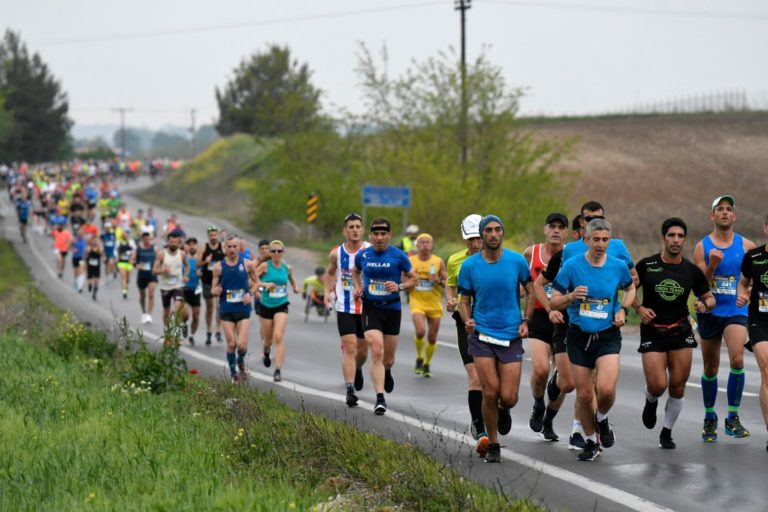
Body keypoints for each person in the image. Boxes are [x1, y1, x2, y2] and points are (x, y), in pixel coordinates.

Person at [550, 218, 636, 461]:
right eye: (595, 239)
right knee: (585, 395)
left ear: (610, 241)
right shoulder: (572, 265)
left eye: (605, 240)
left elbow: (630, 288)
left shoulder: (618, 266)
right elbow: (553, 300)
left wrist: (623, 310)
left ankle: (602, 418)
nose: (600, 244)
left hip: (607, 336)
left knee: (606, 390)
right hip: (578, 337)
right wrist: (570, 296)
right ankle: (590, 441)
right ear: (586, 240)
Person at [457, 215, 533, 463]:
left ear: (502, 233)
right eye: (487, 230)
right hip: (483, 336)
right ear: (481, 234)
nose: (492, 234)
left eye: (497, 230)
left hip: (510, 334)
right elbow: (464, 300)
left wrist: (526, 321)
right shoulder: (470, 266)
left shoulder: (517, 261)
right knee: (490, 392)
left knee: (508, 396)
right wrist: (467, 319)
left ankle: (503, 409)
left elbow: (531, 291)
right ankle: (493, 443)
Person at [634, 218, 715, 449]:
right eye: (672, 235)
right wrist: (639, 309)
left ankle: (666, 432)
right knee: (659, 385)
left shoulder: (691, 270)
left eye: (680, 236)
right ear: (663, 238)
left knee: (678, 386)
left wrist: (705, 305)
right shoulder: (647, 265)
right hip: (653, 330)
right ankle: (651, 400)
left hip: (681, 331)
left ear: (685, 240)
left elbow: (709, 298)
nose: (676, 240)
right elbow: (628, 290)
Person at [694, 195, 755, 441]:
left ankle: (733, 417)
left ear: (735, 216)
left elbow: (757, 279)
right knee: (711, 367)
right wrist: (712, 265)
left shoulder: (747, 246)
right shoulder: (702, 247)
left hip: (735, 311)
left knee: (737, 359)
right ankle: (710, 417)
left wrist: (749, 292)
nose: (725, 213)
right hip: (710, 311)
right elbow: (699, 285)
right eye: (720, 209)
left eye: (729, 209)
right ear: (712, 216)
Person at [352, 217, 417, 415]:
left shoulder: (399, 256)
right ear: (370, 235)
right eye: (376, 234)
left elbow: (414, 279)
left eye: (383, 234)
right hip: (371, 308)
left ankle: (387, 370)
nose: (379, 238)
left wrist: (399, 286)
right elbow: (355, 272)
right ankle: (380, 398)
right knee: (376, 350)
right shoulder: (363, 255)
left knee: (388, 359)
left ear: (389, 235)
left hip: (392, 309)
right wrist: (358, 287)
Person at [445, 214, 488, 456]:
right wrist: (450, 299)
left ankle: (499, 409)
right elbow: (450, 283)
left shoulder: (498, 259)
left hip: (494, 323)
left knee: (496, 381)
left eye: (478, 238)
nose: (474, 244)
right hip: (466, 323)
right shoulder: (455, 260)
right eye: (470, 239)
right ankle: (479, 428)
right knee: (475, 375)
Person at [523, 213, 568, 440]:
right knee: (541, 369)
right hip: (540, 316)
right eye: (552, 226)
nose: (556, 231)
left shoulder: (571, 255)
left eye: (561, 227)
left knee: (563, 379)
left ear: (567, 232)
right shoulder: (531, 254)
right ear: (545, 229)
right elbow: (521, 284)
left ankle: (549, 420)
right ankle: (539, 403)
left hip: (565, 318)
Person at [325, 213, 371, 408]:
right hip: (344, 306)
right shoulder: (337, 253)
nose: (354, 230)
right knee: (350, 347)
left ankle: (357, 368)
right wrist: (327, 292)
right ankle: (350, 389)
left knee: (362, 351)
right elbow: (329, 273)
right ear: (345, 230)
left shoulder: (370, 251)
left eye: (357, 226)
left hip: (367, 307)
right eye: (350, 227)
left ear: (362, 229)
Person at [737, 216, 768, 451]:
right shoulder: (754, 257)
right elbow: (743, 282)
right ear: (765, 229)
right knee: (767, 371)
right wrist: (743, 294)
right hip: (760, 321)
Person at [213, 235, 260, 383]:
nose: (232, 249)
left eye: (235, 246)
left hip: (242, 309)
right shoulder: (219, 267)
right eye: (229, 247)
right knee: (231, 343)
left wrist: (250, 293)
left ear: (239, 247)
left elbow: (257, 282)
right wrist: (216, 290)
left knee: (241, 345)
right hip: (226, 308)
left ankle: (240, 361)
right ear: (224, 248)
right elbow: (213, 288)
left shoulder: (247, 264)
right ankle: (234, 373)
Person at [256, 240, 300, 382]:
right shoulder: (264, 266)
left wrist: (295, 287)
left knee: (278, 336)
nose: (276, 253)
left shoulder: (287, 267)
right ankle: (266, 351)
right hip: (266, 305)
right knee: (268, 340)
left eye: (279, 251)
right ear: (269, 252)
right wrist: (264, 284)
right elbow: (252, 281)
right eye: (273, 251)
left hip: (281, 304)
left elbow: (292, 279)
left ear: (283, 252)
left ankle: (277, 370)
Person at [408, 233, 447, 378]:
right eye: (422, 242)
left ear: (432, 245)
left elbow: (447, 283)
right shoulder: (410, 261)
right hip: (417, 302)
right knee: (420, 331)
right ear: (417, 245)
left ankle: (427, 364)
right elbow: (403, 279)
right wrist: (412, 279)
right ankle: (419, 357)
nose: (425, 244)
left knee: (432, 337)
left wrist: (438, 280)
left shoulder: (438, 262)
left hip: (434, 303)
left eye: (428, 242)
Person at [154, 229, 189, 345]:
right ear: (168, 242)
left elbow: (187, 266)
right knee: (166, 312)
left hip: (178, 285)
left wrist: (186, 276)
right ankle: (168, 333)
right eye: (172, 242)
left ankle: (177, 334)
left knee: (178, 307)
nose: (174, 244)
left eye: (176, 242)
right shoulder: (161, 254)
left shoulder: (182, 254)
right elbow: (154, 270)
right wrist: (163, 270)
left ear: (179, 243)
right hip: (165, 287)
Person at [199, 226, 225, 345]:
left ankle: (218, 331)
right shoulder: (204, 247)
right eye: (211, 235)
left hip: (220, 281)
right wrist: (206, 261)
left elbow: (230, 259)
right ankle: (209, 332)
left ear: (218, 235)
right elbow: (198, 264)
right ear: (208, 236)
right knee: (209, 308)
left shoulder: (223, 247)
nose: (213, 237)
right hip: (207, 281)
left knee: (219, 307)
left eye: (215, 235)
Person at [132, 230, 157, 324]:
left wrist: (159, 267)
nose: (147, 241)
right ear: (142, 239)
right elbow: (131, 260)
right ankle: (143, 311)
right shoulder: (138, 249)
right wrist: (136, 265)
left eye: (149, 239)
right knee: (142, 295)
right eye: (145, 239)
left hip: (152, 275)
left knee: (151, 294)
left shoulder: (154, 248)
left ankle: (149, 315)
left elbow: (160, 258)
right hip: (142, 275)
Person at [183, 237, 202, 346]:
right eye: (190, 244)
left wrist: (201, 274)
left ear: (197, 247)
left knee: (196, 315)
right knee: (185, 314)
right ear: (187, 246)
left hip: (196, 290)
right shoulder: (184, 259)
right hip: (185, 289)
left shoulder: (199, 260)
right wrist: (182, 278)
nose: (192, 246)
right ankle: (184, 323)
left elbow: (205, 273)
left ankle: (192, 335)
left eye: (194, 244)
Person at [116, 230, 136, 299]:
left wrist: (132, 258)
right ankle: (124, 291)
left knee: (128, 279)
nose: (125, 236)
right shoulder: (118, 242)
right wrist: (117, 257)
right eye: (124, 234)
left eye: (126, 234)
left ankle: (126, 288)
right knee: (123, 276)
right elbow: (116, 251)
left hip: (129, 262)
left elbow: (134, 251)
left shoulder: (131, 242)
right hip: (121, 262)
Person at [85, 236, 103, 301]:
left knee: (96, 282)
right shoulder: (89, 248)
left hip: (97, 267)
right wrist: (86, 265)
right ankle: (89, 285)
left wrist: (99, 248)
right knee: (90, 281)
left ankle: (94, 294)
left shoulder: (100, 248)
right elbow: (86, 256)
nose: (95, 242)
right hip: (90, 267)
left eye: (97, 241)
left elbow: (101, 254)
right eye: (94, 241)